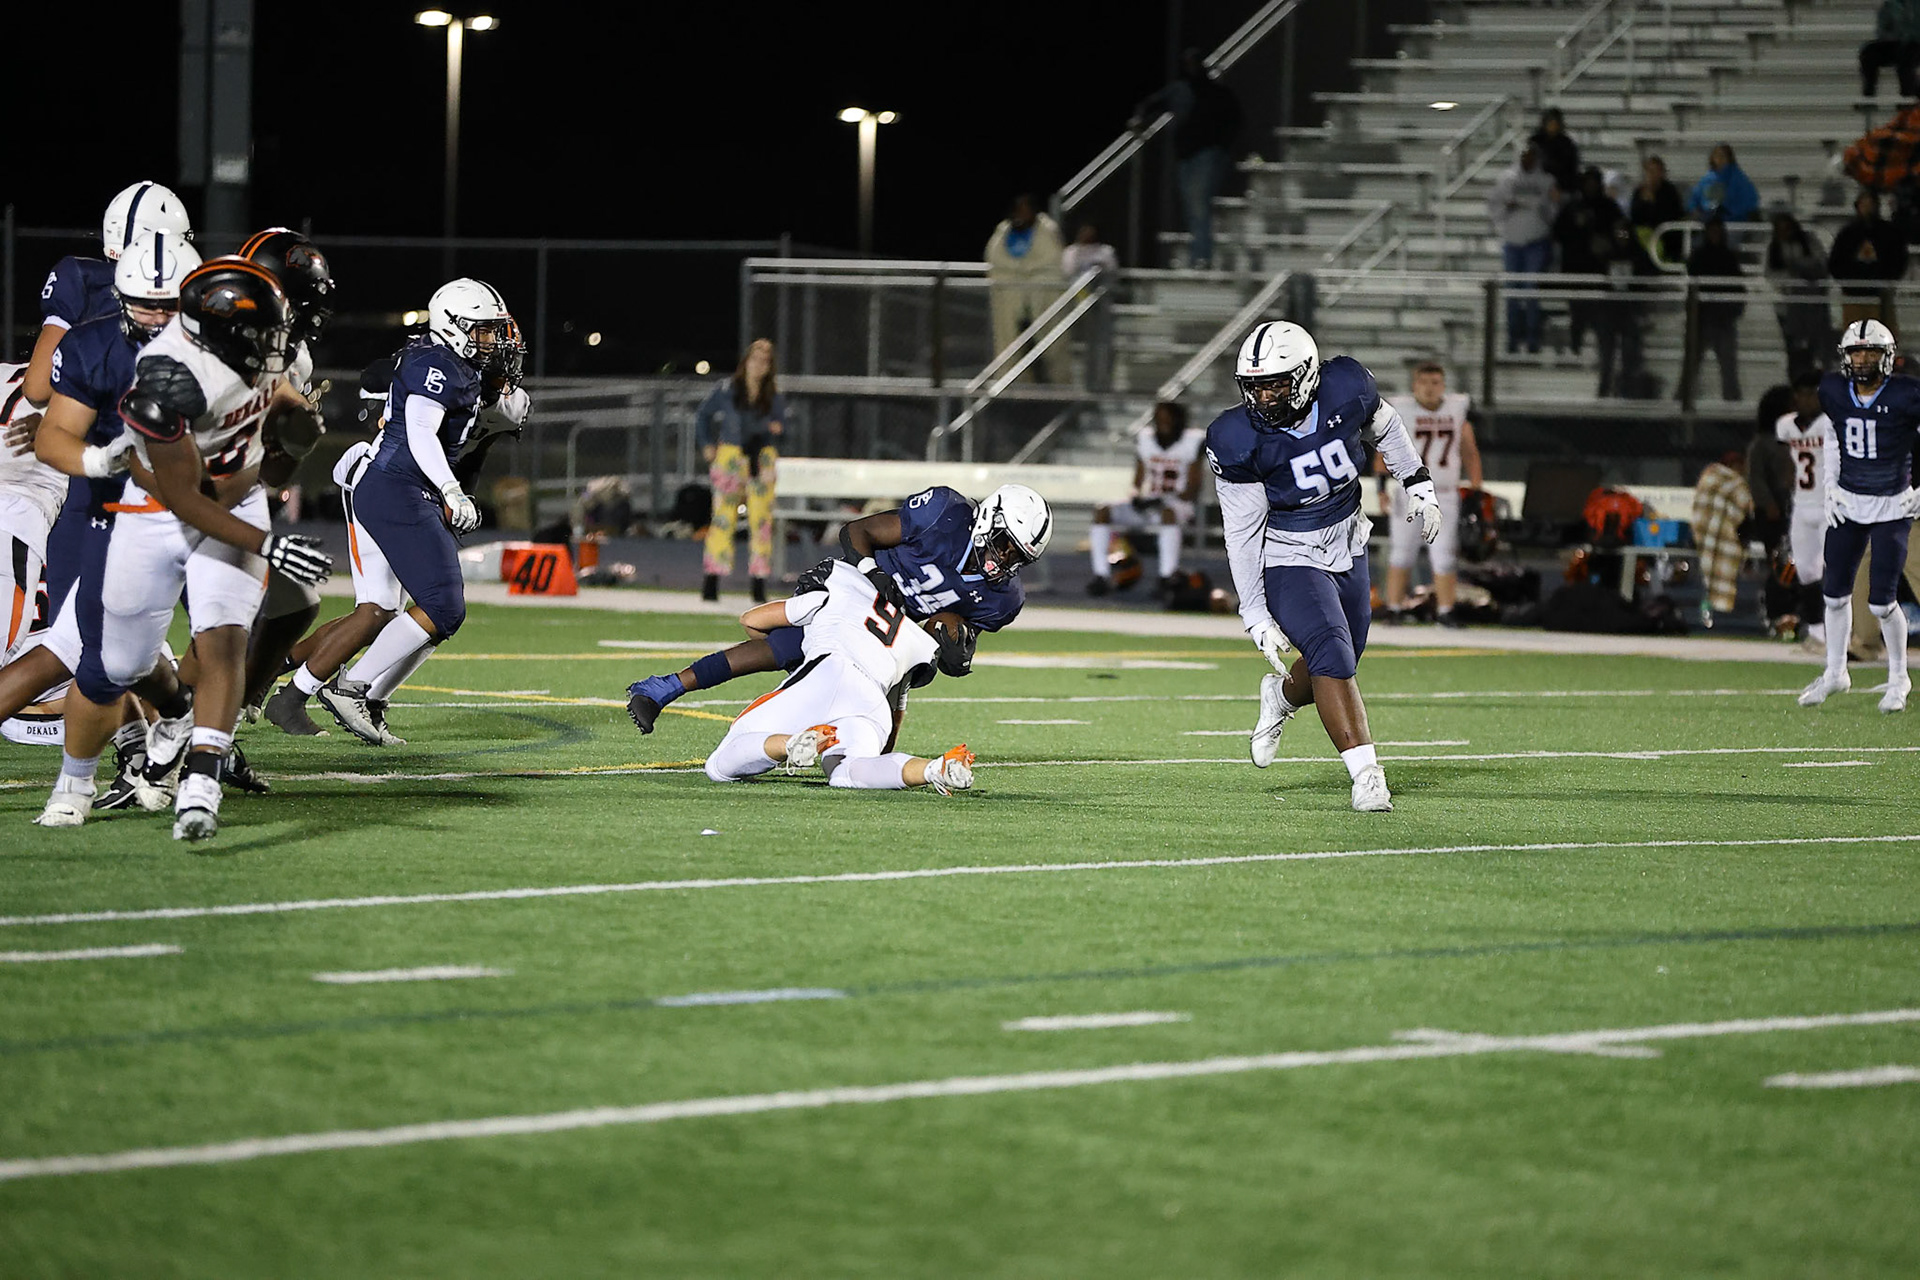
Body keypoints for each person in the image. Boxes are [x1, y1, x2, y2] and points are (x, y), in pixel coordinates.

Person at [38, 258, 333, 838]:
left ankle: (201, 785)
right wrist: (267, 544)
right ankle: (173, 715)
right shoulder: (166, 379)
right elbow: (183, 499)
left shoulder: (257, 353)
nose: (276, 345)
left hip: (237, 503)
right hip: (156, 513)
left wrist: (294, 436)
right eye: (263, 334)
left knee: (224, 638)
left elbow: (268, 461)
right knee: (121, 664)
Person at [1210, 321, 1444, 812]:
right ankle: (1367, 775)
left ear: (1306, 376)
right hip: (1287, 551)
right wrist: (1254, 611)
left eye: (1275, 384)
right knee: (1331, 652)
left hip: (1348, 537)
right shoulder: (1238, 439)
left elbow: (1385, 426)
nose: (1263, 397)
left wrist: (1417, 481)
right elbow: (1242, 532)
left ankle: (1282, 696)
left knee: (1342, 656)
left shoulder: (1345, 389)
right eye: (1254, 386)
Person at [625, 484, 1049, 733]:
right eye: (1005, 544)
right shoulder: (945, 515)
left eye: (1018, 557)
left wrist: (956, 651)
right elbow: (857, 531)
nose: (1005, 560)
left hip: (893, 633)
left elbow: (957, 639)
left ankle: (814, 735)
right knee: (785, 646)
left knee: (890, 703)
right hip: (856, 586)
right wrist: (873, 573)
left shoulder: (1004, 599)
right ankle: (664, 687)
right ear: (988, 517)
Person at [311, 279, 528, 747]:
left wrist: (458, 492)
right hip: (396, 484)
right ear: (453, 328)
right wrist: (451, 490)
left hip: (425, 491)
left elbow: (476, 449)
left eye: (497, 333)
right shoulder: (434, 363)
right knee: (417, 606)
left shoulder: (488, 388)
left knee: (436, 615)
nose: (495, 344)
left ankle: (368, 696)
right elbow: (417, 429)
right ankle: (345, 687)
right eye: (485, 332)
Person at [700, 559, 977, 795]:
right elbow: (895, 718)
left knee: (719, 765)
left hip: (828, 672)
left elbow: (750, 620)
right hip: (871, 703)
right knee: (847, 771)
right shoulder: (915, 640)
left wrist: (795, 646)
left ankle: (791, 743)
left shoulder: (842, 588)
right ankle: (934, 769)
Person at [1799, 320, 1920, 712]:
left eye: (1871, 352)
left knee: (1882, 602)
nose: (1863, 359)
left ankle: (1899, 678)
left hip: (1891, 505)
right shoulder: (1834, 390)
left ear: (1887, 357)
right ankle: (1835, 672)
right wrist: (1830, 487)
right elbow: (1834, 436)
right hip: (1849, 502)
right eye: (1856, 352)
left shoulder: (1906, 394)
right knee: (1834, 596)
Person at [1380, 362, 1482, 627]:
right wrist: (1381, 489)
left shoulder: (1456, 410)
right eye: (1424, 382)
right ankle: (1394, 608)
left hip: (1444, 492)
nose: (1429, 388)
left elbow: (1469, 451)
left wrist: (1476, 488)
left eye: (1435, 382)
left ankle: (1446, 610)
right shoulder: (1401, 411)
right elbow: (1383, 451)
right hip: (1409, 491)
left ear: (1443, 385)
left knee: (1444, 554)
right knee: (1402, 553)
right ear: (1414, 385)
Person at [1133, 49, 1242, 269]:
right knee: (1192, 207)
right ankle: (1199, 253)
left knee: (1199, 205)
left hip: (1207, 154)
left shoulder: (1215, 92)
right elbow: (1153, 102)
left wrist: (1221, 147)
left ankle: (1201, 257)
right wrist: (1139, 118)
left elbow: (1236, 119)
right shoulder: (1180, 90)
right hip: (1186, 156)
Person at [695, 339, 785, 603]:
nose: (759, 365)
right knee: (723, 517)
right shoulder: (728, 389)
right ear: (746, 361)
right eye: (755, 359)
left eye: (765, 361)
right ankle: (712, 578)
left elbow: (782, 428)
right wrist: (707, 444)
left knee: (761, 519)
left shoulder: (773, 395)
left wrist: (776, 431)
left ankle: (758, 581)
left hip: (761, 456)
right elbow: (703, 415)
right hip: (731, 455)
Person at [1087, 402, 1205, 596]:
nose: (1164, 423)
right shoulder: (1146, 439)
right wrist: (1136, 497)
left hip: (1178, 505)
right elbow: (1136, 483)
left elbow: (1193, 489)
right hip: (1149, 505)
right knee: (1102, 510)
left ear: (1178, 420)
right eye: (1160, 419)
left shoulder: (1192, 441)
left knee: (1167, 513)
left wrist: (1163, 500)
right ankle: (1101, 575)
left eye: (1168, 419)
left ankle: (1167, 577)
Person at [1775, 370, 1833, 642]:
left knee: (1835, 570)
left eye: (1813, 394)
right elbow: (1786, 463)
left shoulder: (1831, 422)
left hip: (1830, 505)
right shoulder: (1785, 425)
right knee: (1807, 571)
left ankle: (1842, 633)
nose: (1808, 400)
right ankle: (1817, 632)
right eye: (1803, 394)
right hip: (1801, 504)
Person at [984, 195, 1065, 379]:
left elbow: (1053, 261)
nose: (1022, 214)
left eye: (1026, 209)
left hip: (1042, 294)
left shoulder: (1047, 230)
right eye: (1019, 209)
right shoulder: (1004, 231)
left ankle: (1057, 379)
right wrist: (1017, 273)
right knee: (1008, 338)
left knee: (1050, 339)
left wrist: (1029, 273)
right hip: (1011, 294)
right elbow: (995, 259)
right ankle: (1011, 380)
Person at [1487, 145, 1557, 354]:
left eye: (1531, 156)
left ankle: (1533, 337)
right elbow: (1493, 207)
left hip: (1536, 242)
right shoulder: (1506, 179)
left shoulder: (1546, 181)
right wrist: (1507, 207)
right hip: (1512, 243)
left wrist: (1543, 207)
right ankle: (1513, 338)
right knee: (1512, 291)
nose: (1528, 160)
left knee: (1530, 289)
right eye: (1525, 156)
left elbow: (1554, 212)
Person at [1552, 167, 1628, 356]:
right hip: (1575, 272)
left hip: (1600, 272)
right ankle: (1576, 349)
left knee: (1602, 317)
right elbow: (1557, 233)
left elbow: (1623, 233)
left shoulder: (1609, 207)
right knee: (1578, 315)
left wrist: (1610, 242)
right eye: (1588, 183)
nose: (1591, 187)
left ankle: (1603, 354)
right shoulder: (1572, 207)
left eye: (1594, 183)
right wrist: (1576, 228)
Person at [1828, 190, 1909, 336]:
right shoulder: (1847, 233)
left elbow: (1899, 259)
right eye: (1864, 204)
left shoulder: (1889, 233)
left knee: (1881, 335)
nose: (1867, 208)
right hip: (1853, 295)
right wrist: (1849, 283)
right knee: (1855, 336)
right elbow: (1836, 262)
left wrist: (1887, 280)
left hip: (1881, 294)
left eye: (1870, 204)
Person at [1766, 210, 1834, 381]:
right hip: (1787, 307)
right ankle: (1796, 382)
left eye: (1788, 228)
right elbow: (1771, 275)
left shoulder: (1810, 242)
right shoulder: (1773, 248)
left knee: (1815, 347)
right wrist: (1791, 282)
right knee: (1793, 349)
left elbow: (1822, 265)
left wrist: (1801, 270)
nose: (1785, 233)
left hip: (1813, 305)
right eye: (1781, 229)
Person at [1686, 217, 1746, 403]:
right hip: (1701, 318)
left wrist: (1734, 309)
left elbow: (1738, 286)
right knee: (1691, 364)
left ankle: (1732, 402)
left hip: (1724, 318)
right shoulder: (1698, 256)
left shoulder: (1729, 257)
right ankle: (1683, 399)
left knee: (1728, 365)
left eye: (1717, 232)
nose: (1714, 236)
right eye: (1711, 232)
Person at [1690, 452, 1754, 626]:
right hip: (1719, 536)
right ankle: (1717, 614)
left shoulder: (1708, 475)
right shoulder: (1734, 482)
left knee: (1709, 573)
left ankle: (1710, 612)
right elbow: (1745, 511)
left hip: (1702, 535)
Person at [1596, 221, 1658, 398]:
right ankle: (1604, 389)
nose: (1621, 237)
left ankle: (1627, 390)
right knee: (1606, 355)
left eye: (1624, 233)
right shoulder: (1607, 255)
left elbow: (1651, 273)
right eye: (1618, 233)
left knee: (1629, 355)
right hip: (1610, 310)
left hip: (1630, 310)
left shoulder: (1639, 254)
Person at [1062, 225, 1120, 390]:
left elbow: (1112, 271)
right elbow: (1067, 272)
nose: (1087, 234)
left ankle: (1102, 381)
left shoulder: (1105, 251)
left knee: (1101, 346)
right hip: (1076, 303)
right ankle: (1075, 381)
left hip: (1100, 305)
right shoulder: (1071, 251)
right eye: (1083, 231)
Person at [1630, 155, 1686, 263]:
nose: (1652, 175)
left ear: (1662, 173)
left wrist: (1653, 203)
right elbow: (1634, 217)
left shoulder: (1670, 191)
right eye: (1649, 171)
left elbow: (1672, 215)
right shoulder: (1640, 191)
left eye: (1656, 171)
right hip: (1644, 235)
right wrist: (1644, 202)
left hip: (1667, 235)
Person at [1686, 145, 1761, 223]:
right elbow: (1694, 199)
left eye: (1722, 156)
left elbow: (1750, 200)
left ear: (1729, 158)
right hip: (1709, 222)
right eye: (1716, 156)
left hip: (1735, 222)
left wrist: (1729, 210)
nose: (1719, 159)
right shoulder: (1707, 179)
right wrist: (1696, 211)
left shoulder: (1738, 179)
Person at [1860, 0, 1920, 97]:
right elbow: (1882, 29)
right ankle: (1869, 93)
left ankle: (1908, 94)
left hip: (1915, 43)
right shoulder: (1890, 5)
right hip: (1895, 42)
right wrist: (1895, 37)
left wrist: (1907, 36)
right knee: (1869, 52)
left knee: (1906, 55)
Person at [1530, 108, 1581, 195]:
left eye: (1555, 123)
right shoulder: (1535, 142)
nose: (1553, 126)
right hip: (1537, 186)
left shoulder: (1567, 144)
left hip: (1561, 188)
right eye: (1550, 122)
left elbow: (1571, 169)